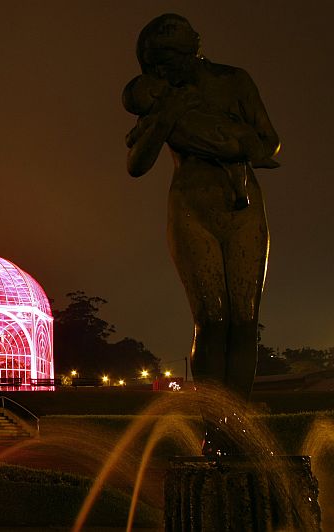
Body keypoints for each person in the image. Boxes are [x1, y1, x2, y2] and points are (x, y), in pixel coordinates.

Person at [124, 14, 280, 455]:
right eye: (158, 63)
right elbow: (137, 163)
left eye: (172, 57)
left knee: (244, 320)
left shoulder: (234, 81)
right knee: (211, 320)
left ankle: (240, 422)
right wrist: (167, 115)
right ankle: (216, 426)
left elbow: (270, 142)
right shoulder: (163, 97)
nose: (166, 69)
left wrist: (234, 144)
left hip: (243, 208)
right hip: (191, 208)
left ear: (193, 47)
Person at [124, 72, 279, 209]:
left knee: (235, 157)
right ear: (154, 92)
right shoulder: (161, 112)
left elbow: (269, 139)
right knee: (238, 149)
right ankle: (250, 170)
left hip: (211, 132)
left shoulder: (230, 79)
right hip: (211, 137)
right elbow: (135, 163)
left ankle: (242, 191)